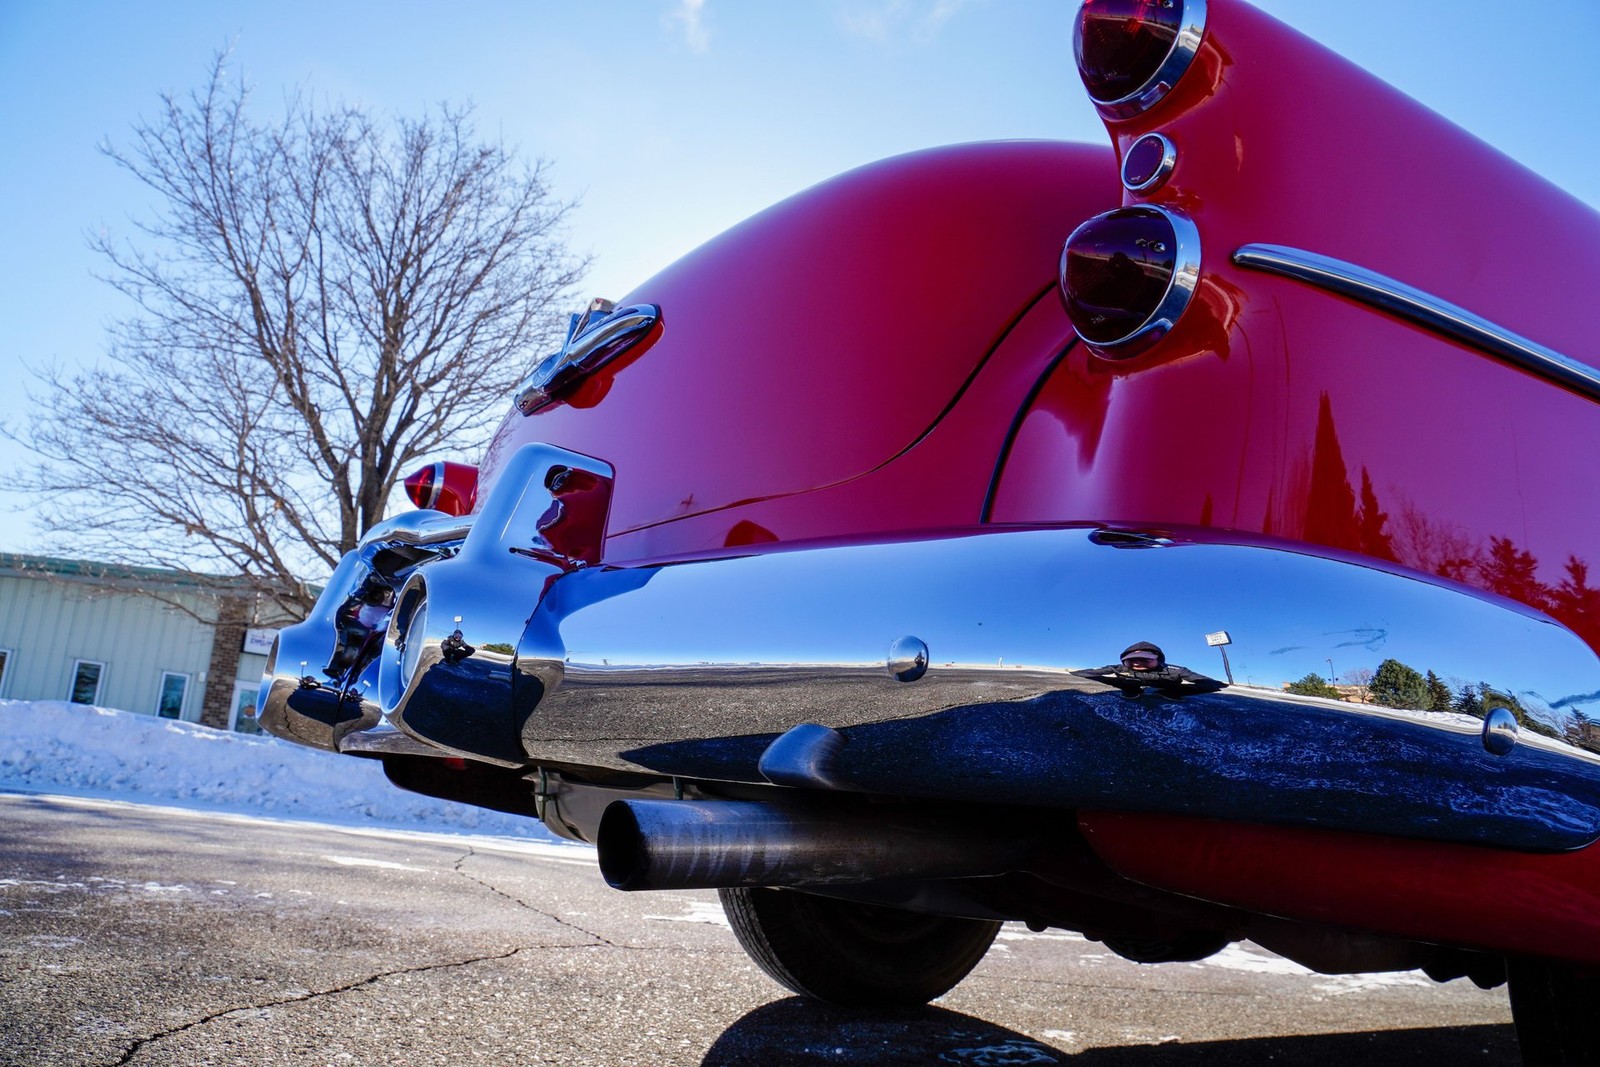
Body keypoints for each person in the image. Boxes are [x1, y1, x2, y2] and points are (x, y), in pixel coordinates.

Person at [1072, 641, 1227, 699]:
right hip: (1132, 684)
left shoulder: (1175, 670)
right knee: (1103, 678)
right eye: (1132, 660)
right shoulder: (1119, 668)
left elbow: (1205, 681)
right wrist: (1074, 674)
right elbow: (1091, 672)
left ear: (1157, 659)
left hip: (1168, 686)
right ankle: (1133, 691)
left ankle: (1169, 693)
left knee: (1208, 687)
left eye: (1145, 659)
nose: (1137, 662)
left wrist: (1220, 684)